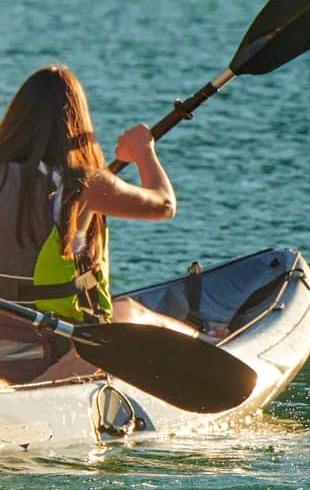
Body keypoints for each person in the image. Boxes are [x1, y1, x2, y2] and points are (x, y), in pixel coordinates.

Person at [0, 64, 182, 384]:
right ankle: (211, 339)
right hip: (53, 352)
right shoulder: (82, 184)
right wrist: (142, 152)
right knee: (131, 313)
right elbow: (164, 205)